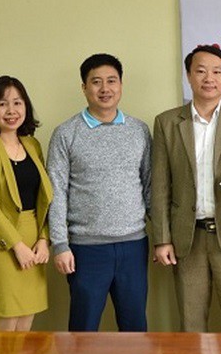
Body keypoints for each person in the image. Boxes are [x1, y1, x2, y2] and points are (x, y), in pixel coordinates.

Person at [150, 45, 221, 332]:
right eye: (200, 71)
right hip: (186, 239)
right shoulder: (167, 122)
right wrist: (162, 239)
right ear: (188, 75)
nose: (209, 78)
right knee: (191, 326)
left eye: (217, 71)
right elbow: (160, 184)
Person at [47, 53, 152, 332]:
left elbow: (150, 186)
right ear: (84, 87)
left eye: (111, 81)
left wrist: (164, 238)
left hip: (134, 245)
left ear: (121, 85)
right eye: (96, 82)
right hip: (85, 249)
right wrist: (60, 244)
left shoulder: (139, 130)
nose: (105, 88)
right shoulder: (66, 133)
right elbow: (56, 192)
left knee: (135, 328)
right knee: (83, 330)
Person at [0, 75, 52, 331]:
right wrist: (17, 245)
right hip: (0, 243)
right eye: (2, 104)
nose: (11, 110)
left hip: (33, 239)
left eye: (17, 102)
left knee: (26, 320)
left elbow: (43, 198)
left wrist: (44, 239)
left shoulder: (32, 145)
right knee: (6, 321)